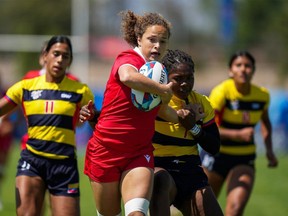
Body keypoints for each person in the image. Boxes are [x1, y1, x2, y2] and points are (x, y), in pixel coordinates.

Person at [79, 10, 193, 216]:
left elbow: (159, 108)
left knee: (137, 213)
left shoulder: (158, 70)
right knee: (108, 213)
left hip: (138, 153)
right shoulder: (128, 59)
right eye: (152, 39)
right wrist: (162, 90)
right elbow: (127, 76)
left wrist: (182, 117)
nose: (158, 45)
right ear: (139, 39)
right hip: (105, 150)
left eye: (163, 41)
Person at [0, 35, 95, 216]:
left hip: (64, 164)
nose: (59, 60)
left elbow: (90, 121)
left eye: (65, 56)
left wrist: (87, 117)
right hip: (32, 160)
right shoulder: (25, 86)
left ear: (70, 61)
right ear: (45, 56)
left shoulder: (81, 91)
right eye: (56, 54)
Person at [201, 50, 278, 216]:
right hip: (216, 156)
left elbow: (266, 122)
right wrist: (237, 134)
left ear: (253, 70)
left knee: (235, 209)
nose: (243, 69)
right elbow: (208, 128)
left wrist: (270, 150)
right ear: (230, 70)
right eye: (238, 65)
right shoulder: (221, 93)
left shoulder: (262, 95)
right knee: (202, 210)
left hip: (244, 158)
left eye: (247, 66)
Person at [149, 49, 223, 216]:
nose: (185, 83)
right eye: (178, 79)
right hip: (160, 168)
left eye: (189, 77)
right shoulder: (154, 100)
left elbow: (214, 146)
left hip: (190, 171)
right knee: (160, 181)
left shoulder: (202, 103)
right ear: (166, 77)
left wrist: (193, 127)